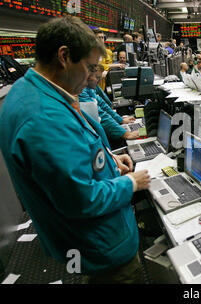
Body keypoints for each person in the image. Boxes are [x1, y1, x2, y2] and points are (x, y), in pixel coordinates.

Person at [0, 16, 150, 283]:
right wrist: (130, 183)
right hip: (102, 246)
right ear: (64, 56)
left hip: (85, 243)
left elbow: (71, 159)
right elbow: (82, 199)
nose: (93, 76)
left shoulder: (32, 92)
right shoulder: (44, 117)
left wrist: (110, 160)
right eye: (90, 66)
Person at [79, 65, 139, 141]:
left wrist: (120, 120)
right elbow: (100, 114)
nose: (100, 81)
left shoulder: (89, 88)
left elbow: (102, 104)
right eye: (97, 78)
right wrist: (125, 134)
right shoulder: (81, 92)